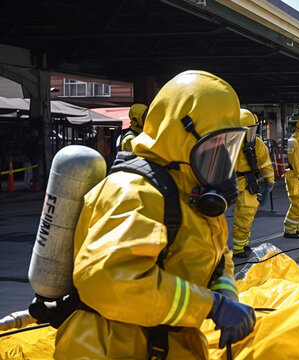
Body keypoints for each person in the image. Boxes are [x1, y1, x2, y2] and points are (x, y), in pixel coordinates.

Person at [54, 70, 256, 359]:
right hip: (111, 348)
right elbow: (110, 281)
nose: (222, 159)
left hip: (167, 344)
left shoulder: (192, 194)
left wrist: (225, 294)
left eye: (227, 146)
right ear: (180, 133)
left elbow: (218, 258)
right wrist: (210, 306)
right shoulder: (134, 192)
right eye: (213, 146)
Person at [232, 109, 275, 258]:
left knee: (246, 214)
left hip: (246, 181)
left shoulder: (257, 144)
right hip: (227, 181)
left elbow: (265, 165)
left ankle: (240, 246)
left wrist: (269, 183)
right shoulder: (226, 142)